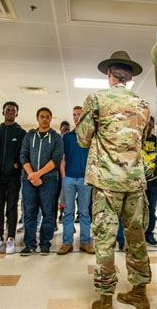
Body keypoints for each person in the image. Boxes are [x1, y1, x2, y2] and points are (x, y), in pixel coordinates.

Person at [76, 51, 151, 309]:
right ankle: (139, 293)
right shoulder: (143, 104)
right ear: (129, 78)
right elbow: (144, 137)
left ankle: (106, 298)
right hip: (135, 182)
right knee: (136, 236)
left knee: (106, 240)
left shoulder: (96, 99)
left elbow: (83, 139)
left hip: (107, 182)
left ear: (109, 74)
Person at [20, 107, 63, 256]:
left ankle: (45, 244)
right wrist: (32, 175)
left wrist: (38, 174)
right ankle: (30, 244)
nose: (44, 119)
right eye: (42, 116)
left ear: (51, 119)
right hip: (29, 181)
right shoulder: (29, 136)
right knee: (29, 213)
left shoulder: (57, 138)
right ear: (37, 118)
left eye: (47, 117)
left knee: (48, 213)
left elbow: (56, 160)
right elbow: (23, 156)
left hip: (49, 181)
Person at [0, 101, 26, 254]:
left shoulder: (21, 133)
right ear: (3, 112)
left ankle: (10, 238)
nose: (10, 112)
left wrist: (17, 164)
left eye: (13, 110)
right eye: (7, 110)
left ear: (17, 114)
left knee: (11, 207)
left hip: (13, 177)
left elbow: (24, 153)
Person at [57, 106, 95, 255]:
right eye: (74, 115)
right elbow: (62, 158)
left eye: (79, 114)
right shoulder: (67, 137)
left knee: (85, 212)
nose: (76, 117)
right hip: (69, 179)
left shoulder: (90, 137)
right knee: (68, 212)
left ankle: (85, 242)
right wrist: (64, 176)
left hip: (85, 179)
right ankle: (67, 243)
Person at [142, 116, 157, 246]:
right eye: (146, 124)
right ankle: (138, 235)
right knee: (137, 210)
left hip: (153, 182)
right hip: (138, 183)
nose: (148, 127)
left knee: (151, 210)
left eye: (150, 125)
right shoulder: (136, 140)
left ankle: (149, 234)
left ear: (153, 126)